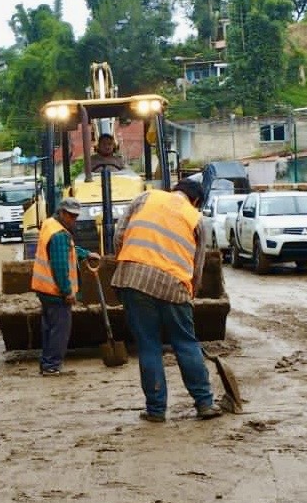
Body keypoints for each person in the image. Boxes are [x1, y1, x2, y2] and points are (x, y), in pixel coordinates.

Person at [112, 178, 222, 422]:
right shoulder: (195, 219)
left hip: (134, 279)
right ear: (195, 201)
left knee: (149, 346)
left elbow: (119, 236)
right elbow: (197, 266)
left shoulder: (145, 198)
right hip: (174, 286)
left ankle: (156, 410)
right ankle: (204, 403)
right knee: (185, 343)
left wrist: (126, 267)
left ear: (175, 190)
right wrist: (189, 294)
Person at [32, 197, 95, 376]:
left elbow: (68, 250)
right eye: (70, 216)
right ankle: (52, 365)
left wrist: (85, 254)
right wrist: (67, 291)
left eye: (75, 216)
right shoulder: (59, 234)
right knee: (60, 330)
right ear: (61, 212)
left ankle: (46, 363)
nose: (73, 220)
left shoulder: (50, 225)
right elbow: (60, 266)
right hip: (55, 291)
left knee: (49, 328)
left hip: (44, 289)